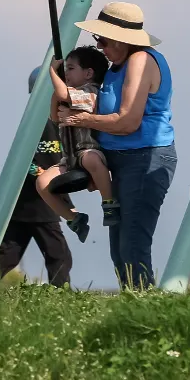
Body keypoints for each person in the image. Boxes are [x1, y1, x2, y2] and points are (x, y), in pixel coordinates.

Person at [61, 2, 177, 289]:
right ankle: (133, 302)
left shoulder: (141, 60)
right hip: (119, 161)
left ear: (124, 38)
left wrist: (82, 120)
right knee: (119, 248)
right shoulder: (115, 67)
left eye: (103, 39)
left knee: (132, 244)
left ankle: (144, 308)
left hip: (144, 159)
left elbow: (127, 122)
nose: (98, 46)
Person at [0, 67, 74, 288]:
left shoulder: (60, 122)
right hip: (38, 198)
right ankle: (61, 295)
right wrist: (35, 170)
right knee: (59, 255)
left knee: (9, 253)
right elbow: (23, 157)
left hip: (33, 199)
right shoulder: (39, 122)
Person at [36, 47, 118, 237]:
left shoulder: (90, 92)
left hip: (89, 150)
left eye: (70, 68)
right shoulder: (68, 92)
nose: (65, 73)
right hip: (70, 158)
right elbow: (55, 118)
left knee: (91, 160)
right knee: (42, 183)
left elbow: (65, 95)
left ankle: (109, 202)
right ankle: (73, 218)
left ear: (88, 73)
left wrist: (52, 71)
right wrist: (56, 94)